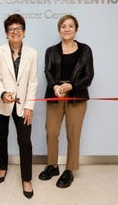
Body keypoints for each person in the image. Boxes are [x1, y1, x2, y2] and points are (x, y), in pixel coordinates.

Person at [38, 14, 94, 188]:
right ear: (59, 30)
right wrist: (55, 86)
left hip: (76, 96)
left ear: (76, 29)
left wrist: (71, 86)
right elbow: (47, 71)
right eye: (63, 26)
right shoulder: (51, 50)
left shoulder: (85, 50)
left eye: (70, 26)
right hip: (56, 95)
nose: (67, 29)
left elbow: (89, 76)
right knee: (51, 132)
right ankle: (53, 165)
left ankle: (69, 170)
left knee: (73, 135)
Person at [0, 14, 38, 199]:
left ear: (24, 32)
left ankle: (26, 178)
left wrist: (29, 106)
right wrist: (3, 94)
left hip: (23, 105)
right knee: (1, 137)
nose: (15, 32)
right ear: (6, 33)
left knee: (25, 142)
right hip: (2, 102)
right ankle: (2, 167)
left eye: (18, 28)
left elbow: (32, 82)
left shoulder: (32, 53)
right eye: (11, 29)